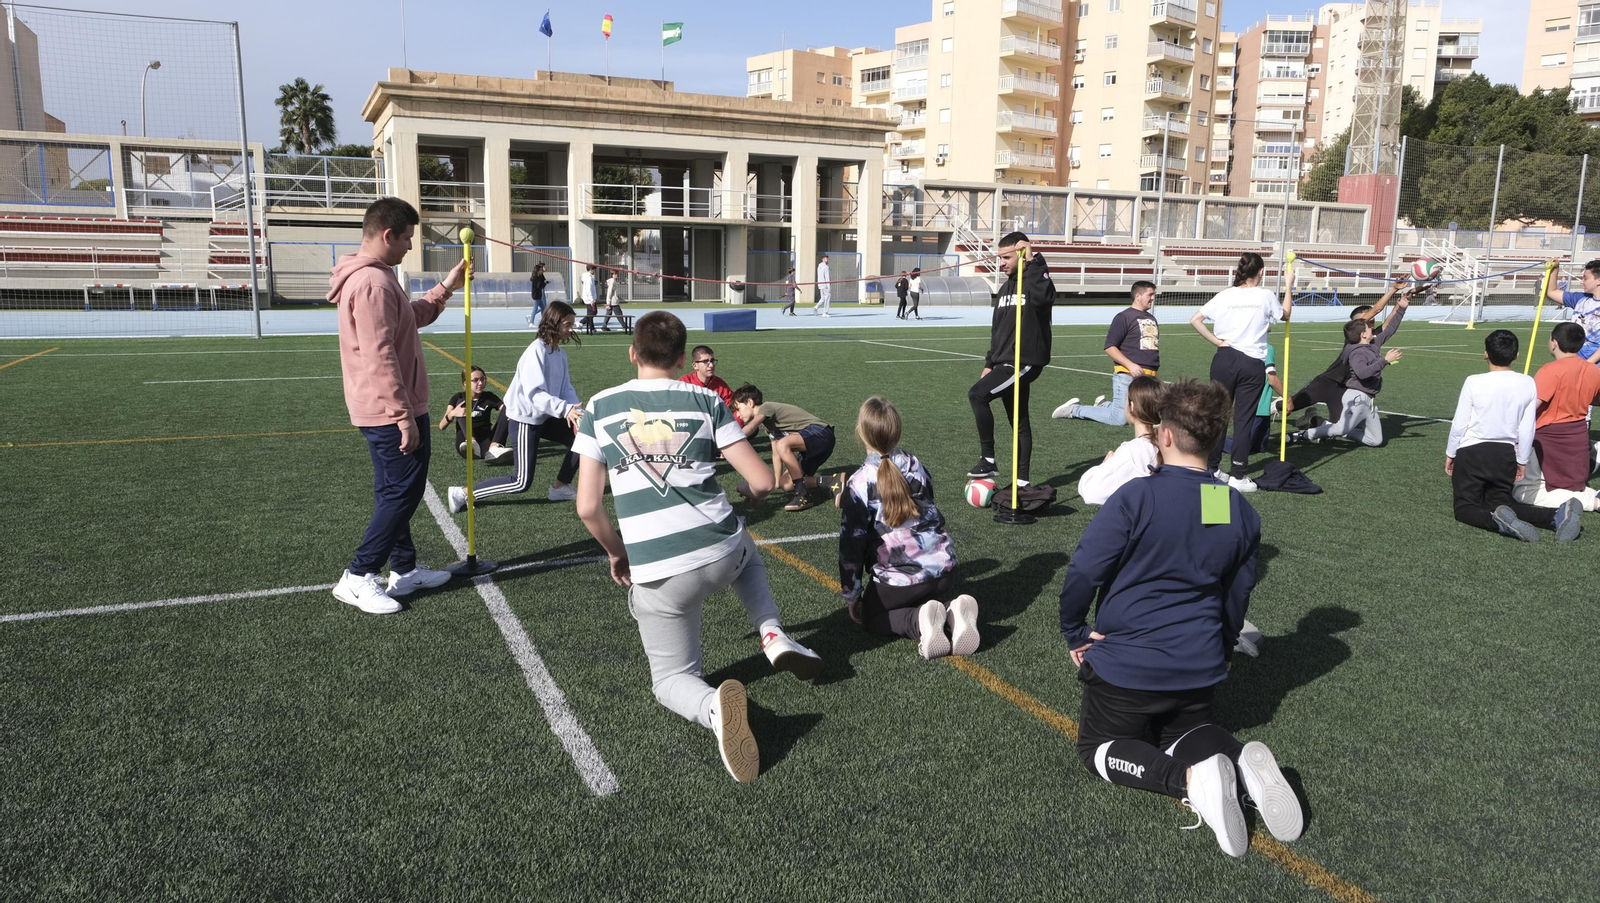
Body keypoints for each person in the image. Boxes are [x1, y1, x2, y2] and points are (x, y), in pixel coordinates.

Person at [572, 311, 824, 784]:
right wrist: (753, 494)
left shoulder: (600, 407)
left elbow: (588, 507)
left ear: (633, 353)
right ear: (684, 357)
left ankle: (713, 708)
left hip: (659, 572)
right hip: (722, 549)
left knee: (669, 681)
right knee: (745, 546)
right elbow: (761, 481)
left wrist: (616, 552)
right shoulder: (707, 400)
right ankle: (771, 632)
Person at [1059, 379, 1303, 859]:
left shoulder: (1135, 497)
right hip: (1198, 668)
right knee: (1182, 733)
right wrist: (1226, 644)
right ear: (1216, 440)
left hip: (1128, 667)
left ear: (1164, 435)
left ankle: (1190, 779)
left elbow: (1085, 570)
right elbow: (1239, 591)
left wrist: (1074, 629)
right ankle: (1238, 762)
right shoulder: (1237, 509)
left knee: (1098, 748)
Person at [329, 197, 467, 615]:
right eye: (407, 238)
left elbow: (409, 316)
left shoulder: (378, 277)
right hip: (390, 409)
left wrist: (446, 287)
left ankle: (403, 569)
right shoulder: (371, 283)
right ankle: (357, 576)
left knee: (396, 490)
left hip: (391, 406)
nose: (410, 246)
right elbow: (379, 355)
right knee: (401, 492)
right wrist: (402, 416)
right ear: (387, 235)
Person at [837, 396, 971, 661]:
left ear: (860, 433)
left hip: (900, 581)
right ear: (897, 432)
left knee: (872, 618)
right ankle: (952, 610)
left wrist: (853, 597)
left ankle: (919, 621)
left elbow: (851, 548)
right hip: (944, 571)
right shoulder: (916, 465)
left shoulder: (860, 482)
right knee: (922, 597)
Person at [1446, 329, 1583, 542]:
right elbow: (1528, 427)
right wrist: (1521, 461)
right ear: (1516, 356)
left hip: (1471, 452)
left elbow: (1459, 424)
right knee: (1502, 504)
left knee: (1464, 508)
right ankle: (1555, 514)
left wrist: (1451, 453)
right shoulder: (1527, 382)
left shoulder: (1473, 381)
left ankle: (1499, 523)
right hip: (1505, 454)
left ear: (1486, 354)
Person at [447, 301, 583, 512]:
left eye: (572, 324)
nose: (571, 329)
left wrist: (576, 411)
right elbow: (534, 394)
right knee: (521, 482)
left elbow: (565, 387)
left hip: (545, 416)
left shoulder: (559, 355)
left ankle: (560, 486)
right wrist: (565, 410)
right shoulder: (536, 351)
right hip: (525, 419)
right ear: (554, 324)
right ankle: (462, 493)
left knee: (583, 438)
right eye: (568, 324)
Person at [1189, 252, 1292, 493]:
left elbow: (1195, 319)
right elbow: (1285, 315)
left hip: (1223, 359)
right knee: (1243, 419)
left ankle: (1212, 468)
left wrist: (1217, 342)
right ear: (1261, 272)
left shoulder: (1225, 295)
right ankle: (1238, 475)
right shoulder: (1265, 295)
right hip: (1250, 362)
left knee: (1218, 416)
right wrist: (1288, 285)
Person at [968, 232, 1056, 487]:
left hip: (1026, 361)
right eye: (1000, 258)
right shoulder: (1005, 287)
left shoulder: (1034, 277)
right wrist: (989, 363)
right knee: (1019, 422)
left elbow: (1045, 298)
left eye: (1007, 257)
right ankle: (1022, 483)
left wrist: (1031, 260)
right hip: (1004, 361)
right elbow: (998, 330)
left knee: (978, 395)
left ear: (1020, 254)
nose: (1002, 263)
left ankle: (988, 459)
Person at [1286, 293, 1409, 448]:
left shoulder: (1372, 344)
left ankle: (1324, 425)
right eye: (1369, 326)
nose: (1373, 328)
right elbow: (1362, 373)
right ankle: (1300, 435)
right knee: (1339, 427)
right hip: (1355, 396)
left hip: (1368, 399)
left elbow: (1389, 328)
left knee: (1375, 440)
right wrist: (1385, 361)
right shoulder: (1355, 350)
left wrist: (1401, 308)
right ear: (1362, 333)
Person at [1055, 281, 1158, 426]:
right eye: (1150, 294)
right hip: (1128, 374)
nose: (1153, 298)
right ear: (1138, 296)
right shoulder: (1124, 317)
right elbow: (1110, 347)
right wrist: (1131, 365)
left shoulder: (1151, 318)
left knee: (1148, 417)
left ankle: (1104, 405)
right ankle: (1074, 410)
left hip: (1148, 377)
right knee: (1120, 419)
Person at [731, 383, 835, 512]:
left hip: (821, 433)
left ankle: (802, 495)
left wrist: (732, 439)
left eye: (738, 408)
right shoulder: (770, 426)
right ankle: (831, 481)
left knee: (783, 444)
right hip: (812, 447)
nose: (737, 415)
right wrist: (776, 483)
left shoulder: (766, 408)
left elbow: (752, 427)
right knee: (786, 484)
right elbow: (776, 455)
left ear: (750, 402)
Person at [1531, 321, 1600, 495]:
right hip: (1578, 434)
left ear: (1554, 342)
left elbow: (1532, 407)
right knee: (1573, 487)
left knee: (1532, 491)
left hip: (1548, 437)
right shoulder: (1593, 370)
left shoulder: (1549, 370)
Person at [1077, 376, 1164, 506]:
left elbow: (1091, 493)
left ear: (1132, 406)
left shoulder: (1132, 451)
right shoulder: (1171, 445)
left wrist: (1105, 465)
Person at [439, 366, 513, 464]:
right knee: (461, 402)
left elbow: (506, 410)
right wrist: (452, 413)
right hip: (466, 444)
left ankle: (494, 448)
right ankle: (472, 442)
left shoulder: (489, 397)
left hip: (488, 442)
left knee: (509, 408)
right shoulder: (458, 397)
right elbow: (441, 426)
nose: (480, 383)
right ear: (465, 383)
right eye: (475, 380)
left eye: (483, 379)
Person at [1545, 258, 1600, 364]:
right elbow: (1552, 292)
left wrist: (1587, 364)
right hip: (1575, 362)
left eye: (1585, 278)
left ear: (1598, 280)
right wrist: (1555, 268)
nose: (1582, 281)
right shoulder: (1581, 299)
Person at [678, 344, 742, 426]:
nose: (711, 365)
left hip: (714, 425)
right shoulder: (684, 383)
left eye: (712, 361)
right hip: (691, 424)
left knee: (739, 418)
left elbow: (732, 406)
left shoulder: (720, 385)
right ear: (695, 365)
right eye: (705, 362)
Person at [600, 268, 624, 332]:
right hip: (613, 301)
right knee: (619, 313)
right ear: (612, 275)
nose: (616, 275)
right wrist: (608, 302)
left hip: (613, 300)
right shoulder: (612, 281)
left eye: (617, 274)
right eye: (615, 274)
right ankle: (624, 326)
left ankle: (604, 326)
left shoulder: (614, 281)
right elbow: (610, 292)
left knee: (609, 313)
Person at [578, 264, 599, 332]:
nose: (595, 271)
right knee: (593, 312)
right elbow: (588, 289)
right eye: (594, 269)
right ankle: (581, 322)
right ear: (591, 269)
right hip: (589, 298)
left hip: (589, 298)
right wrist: (591, 299)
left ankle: (592, 328)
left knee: (590, 313)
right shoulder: (588, 277)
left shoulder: (589, 277)